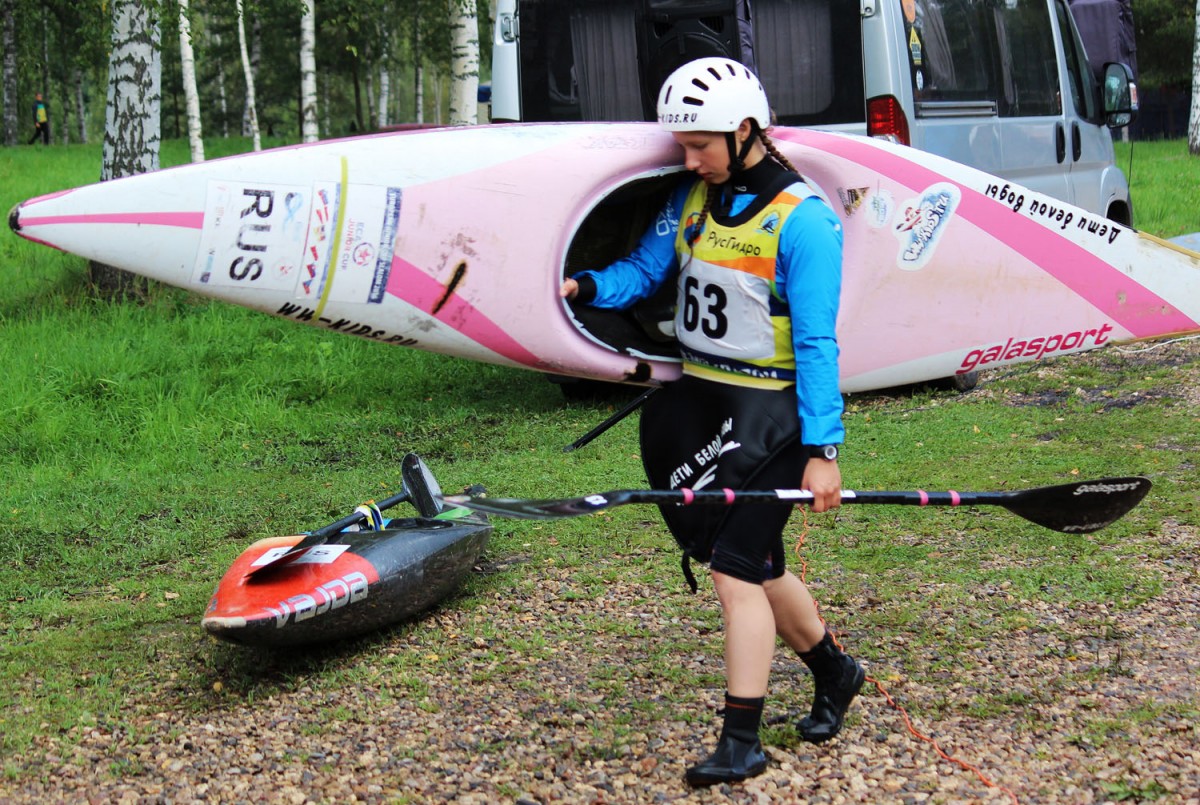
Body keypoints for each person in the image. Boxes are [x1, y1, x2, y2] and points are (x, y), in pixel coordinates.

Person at [560, 57, 864, 786]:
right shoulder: (692, 200)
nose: (689, 159)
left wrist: (823, 450)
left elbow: (818, 343)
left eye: (700, 145)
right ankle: (835, 670)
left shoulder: (806, 221)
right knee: (756, 564)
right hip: (704, 405)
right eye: (683, 145)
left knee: (734, 571)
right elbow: (644, 273)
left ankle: (741, 741)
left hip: (775, 420)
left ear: (746, 130)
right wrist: (580, 286)